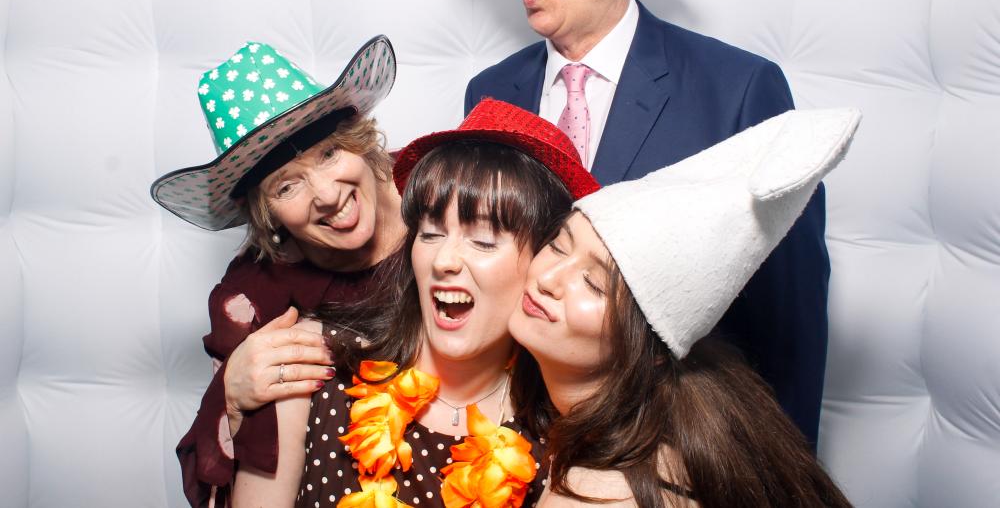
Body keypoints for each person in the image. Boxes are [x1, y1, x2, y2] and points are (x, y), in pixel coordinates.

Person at [449, 0, 830, 446]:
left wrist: (778, 477)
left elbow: (790, 320)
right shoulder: (489, 94)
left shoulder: (738, 92)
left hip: (675, 448)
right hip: (507, 445)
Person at [231, 99, 600, 508]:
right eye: (430, 233)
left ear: (542, 263)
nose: (444, 261)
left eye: (482, 240)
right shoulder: (311, 362)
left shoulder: (565, 436)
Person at [508, 108, 861, 507]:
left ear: (654, 350)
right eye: (558, 245)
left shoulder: (597, 495)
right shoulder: (673, 429)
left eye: (593, 283)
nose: (548, 278)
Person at [150, 36, 407, 507]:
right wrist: (230, 395)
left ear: (357, 140)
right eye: (287, 186)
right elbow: (222, 475)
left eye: (329, 154)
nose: (327, 195)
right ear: (264, 212)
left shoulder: (442, 193)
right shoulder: (252, 296)